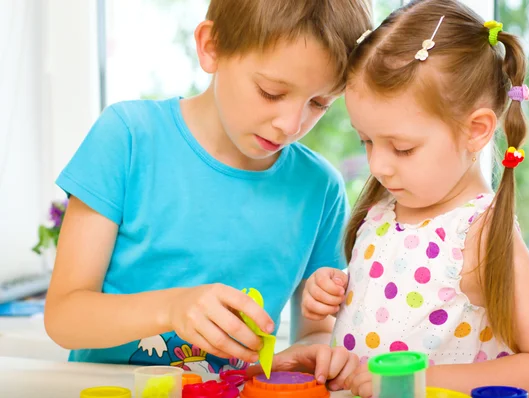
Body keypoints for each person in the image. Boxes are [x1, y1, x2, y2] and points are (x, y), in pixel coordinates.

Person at [44, 0, 372, 390]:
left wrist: (308, 355)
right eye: (270, 92)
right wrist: (172, 307)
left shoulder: (321, 189)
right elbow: (64, 317)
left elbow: (313, 333)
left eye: (318, 103)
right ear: (211, 46)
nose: (290, 124)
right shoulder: (127, 137)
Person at [301, 0, 529, 396]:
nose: (378, 165)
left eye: (403, 148)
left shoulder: (478, 231)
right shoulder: (381, 212)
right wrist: (330, 297)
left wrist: (419, 382)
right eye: (367, 141)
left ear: (476, 131)